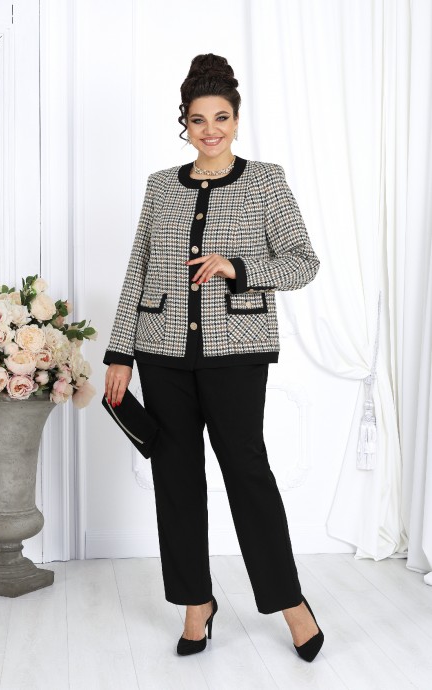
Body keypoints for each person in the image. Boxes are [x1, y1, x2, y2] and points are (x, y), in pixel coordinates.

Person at [104, 53, 324, 662]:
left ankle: (290, 602)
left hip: (237, 353)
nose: (210, 130)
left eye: (221, 117)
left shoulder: (266, 181)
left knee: (247, 475)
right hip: (162, 352)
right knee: (175, 481)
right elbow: (138, 269)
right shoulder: (160, 187)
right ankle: (195, 604)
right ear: (185, 121)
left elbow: (303, 262)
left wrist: (238, 267)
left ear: (236, 118)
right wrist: (120, 353)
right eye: (198, 119)